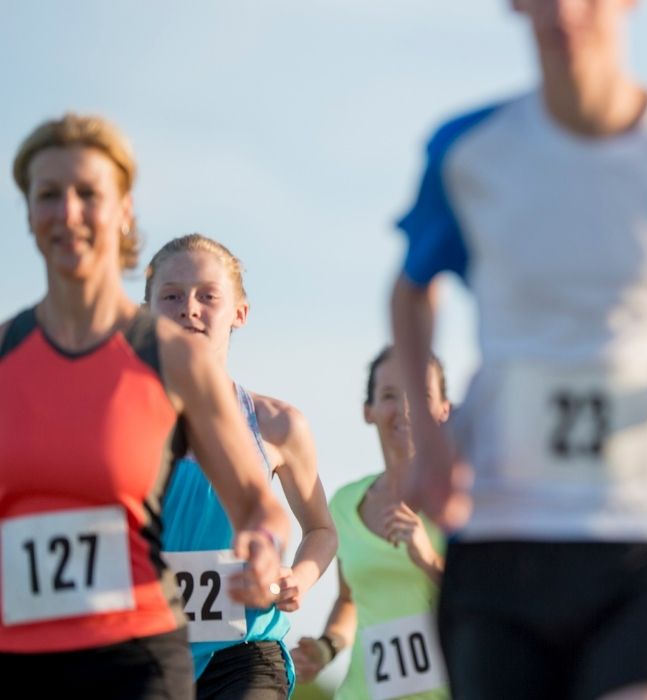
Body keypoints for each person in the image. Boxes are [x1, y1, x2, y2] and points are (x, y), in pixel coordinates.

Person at [390, 1, 647, 697]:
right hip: (503, 526)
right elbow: (411, 291)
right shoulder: (470, 151)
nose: (564, 10)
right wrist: (430, 443)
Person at [0, 114, 288, 698]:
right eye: (48, 194)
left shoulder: (171, 360)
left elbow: (260, 504)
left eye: (89, 194)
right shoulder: (6, 355)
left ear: (124, 208)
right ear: (28, 212)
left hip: (134, 662)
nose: (68, 212)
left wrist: (260, 546)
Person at [145, 234, 338, 699]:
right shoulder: (111, 423)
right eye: (170, 296)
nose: (188, 308)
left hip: (244, 650)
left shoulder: (277, 425)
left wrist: (300, 577)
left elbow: (320, 530)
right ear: (144, 312)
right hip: (142, 649)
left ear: (239, 313)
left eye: (207, 296)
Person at [289, 350, 451, 700]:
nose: (406, 408)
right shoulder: (344, 503)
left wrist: (427, 558)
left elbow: (492, 597)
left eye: (421, 395)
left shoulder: (466, 500)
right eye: (391, 395)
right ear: (369, 410)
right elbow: (349, 600)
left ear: (443, 411)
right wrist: (325, 648)